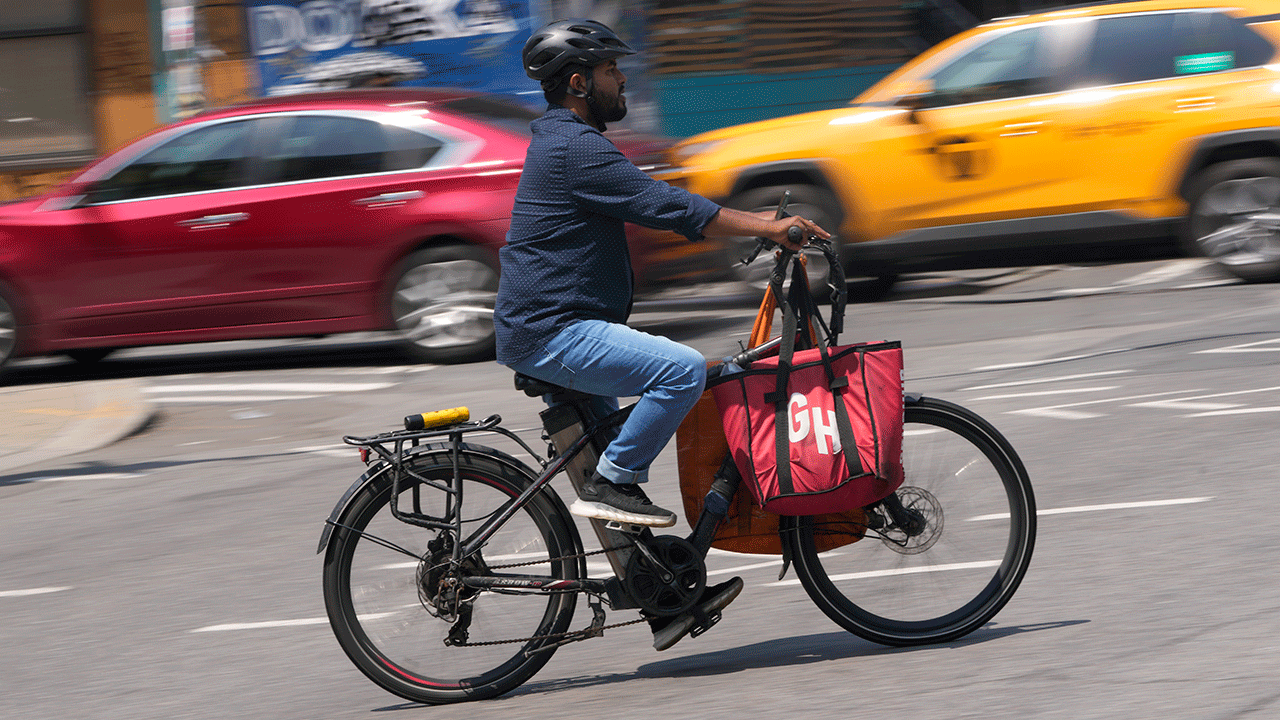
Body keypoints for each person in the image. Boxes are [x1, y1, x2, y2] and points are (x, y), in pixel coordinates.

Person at [495, 18, 830, 650]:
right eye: (610, 71)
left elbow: (664, 210)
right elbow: (666, 206)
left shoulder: (570, 141)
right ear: (578, 82)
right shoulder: (575, 148)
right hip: (552, 332)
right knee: (677, 371)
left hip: (562, 327)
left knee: (659, 403)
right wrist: (766, 225)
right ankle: (615, 480)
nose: (622, 79)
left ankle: (665, 602)